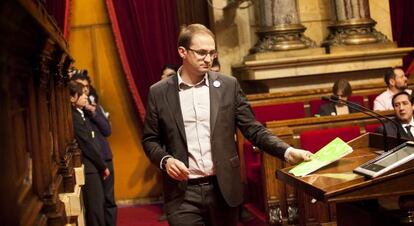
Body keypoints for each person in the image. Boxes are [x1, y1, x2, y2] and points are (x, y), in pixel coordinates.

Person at [142, 23, 312, 226]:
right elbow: (150, 140)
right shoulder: (159, 92)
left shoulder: (228, 86)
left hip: (223, 190)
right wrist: (165, 161)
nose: (208, 59)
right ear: (182, 52)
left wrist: (287, 151)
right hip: (182, 195)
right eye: (201, 53)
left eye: (212, 53)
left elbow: (253, 129)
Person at [71, 71, 118, 226]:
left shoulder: (94, 107)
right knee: (96, 204)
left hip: (105, 156)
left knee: (109, 200)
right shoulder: (75, 112)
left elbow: (107, 130)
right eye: (80, 87)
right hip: (92, 161)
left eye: (86, 86)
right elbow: (86, 141)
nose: (84, 90)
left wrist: (94, 112)